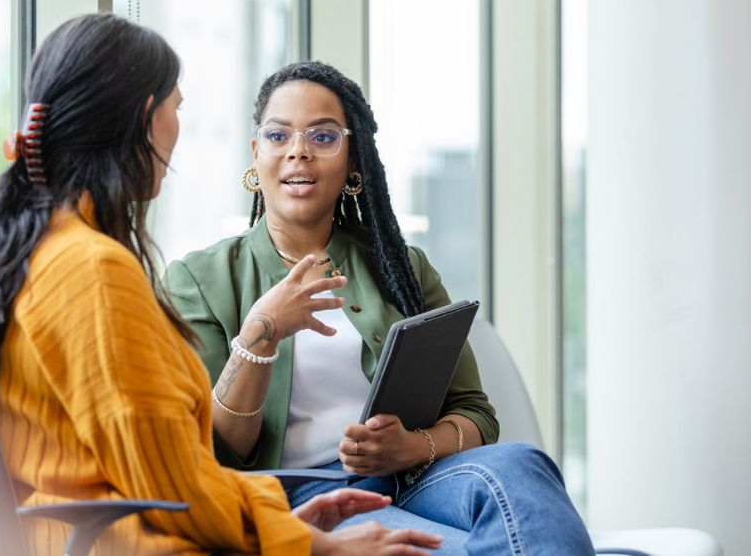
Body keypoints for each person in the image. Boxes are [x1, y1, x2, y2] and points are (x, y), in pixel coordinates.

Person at [0, 14, 443, 556]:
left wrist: (283, 522)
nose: (298, 151)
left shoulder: (47, 252)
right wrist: (316, 546)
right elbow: (173, 489)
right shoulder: (93, 272)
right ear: (147, 117)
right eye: (177, 108)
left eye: (322, 136)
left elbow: (167, 476)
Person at [166, 61, 595, 554]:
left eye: (323, 136)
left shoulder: (400, 266)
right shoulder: (199, 280)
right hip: (307, 492)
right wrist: (262, 330)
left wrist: (411, 448)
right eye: (278, 134)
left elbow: (477, 414)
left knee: (522, 465)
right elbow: (219, 451)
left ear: (353, 161)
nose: (298, 151)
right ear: (256, 154)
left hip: (420, 475)